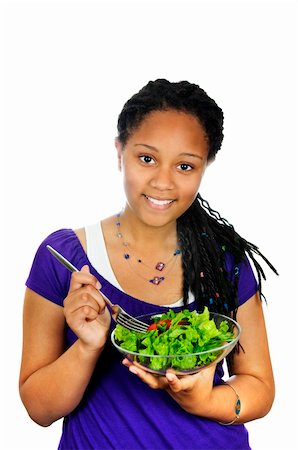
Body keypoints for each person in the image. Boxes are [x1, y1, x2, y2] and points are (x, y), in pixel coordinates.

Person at [19, 79, 277, 450]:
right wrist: (87, 348)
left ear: (206, 166)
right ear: (119, 151)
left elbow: (259, 386)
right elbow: (38, 409)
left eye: (185, 166)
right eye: (147, 158)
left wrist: (204, 401)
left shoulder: (225, 261)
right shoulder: (63, 258)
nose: (162, 182)